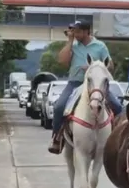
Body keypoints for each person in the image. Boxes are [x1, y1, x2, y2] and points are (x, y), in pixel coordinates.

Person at [47, 20, 123, 154]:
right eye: (73, 31)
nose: (75, 34)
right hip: (75, 83)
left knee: (118, 107)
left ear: (86, 31)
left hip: (96, 85)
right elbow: (62, 62)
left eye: (77, 31)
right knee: (59, 106)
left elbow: (110, 66)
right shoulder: (73, 46)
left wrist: (94, 68)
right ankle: (57, 138)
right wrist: (69, 41)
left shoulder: (100, 46)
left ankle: (118, 138)